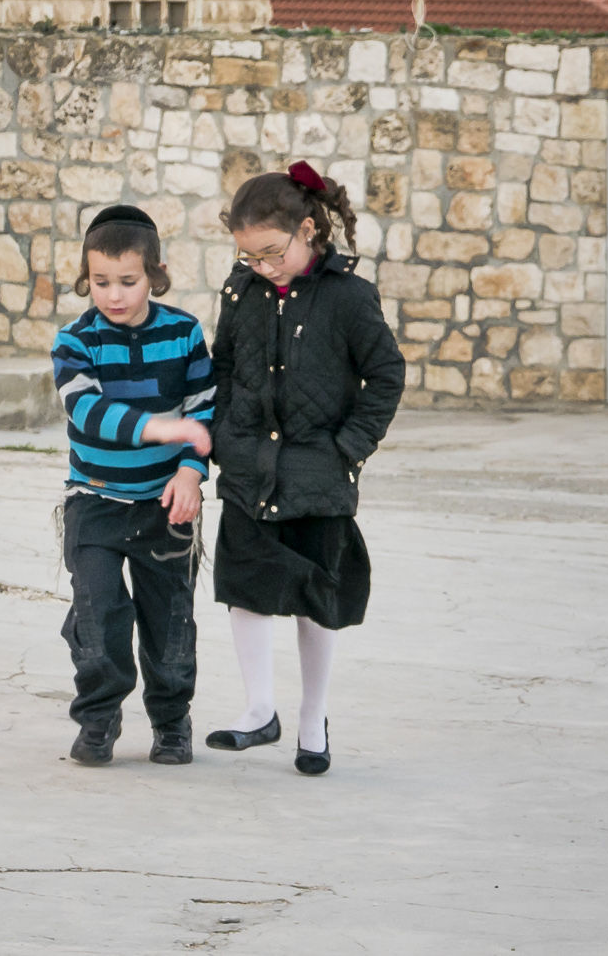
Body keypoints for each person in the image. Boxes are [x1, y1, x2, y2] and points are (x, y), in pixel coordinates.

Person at [203, 163, 404, 775]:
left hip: (319, 475)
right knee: (246, 587)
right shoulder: (241, 291)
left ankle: (312, 716)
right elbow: (224, 368)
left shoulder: (348, 296)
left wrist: (349, 448)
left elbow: (386, 375)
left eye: (271, 253)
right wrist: (220, 439)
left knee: (319, 597)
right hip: (247, 467)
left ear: (309, 230)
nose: (262, 266)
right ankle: (259, 707)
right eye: (249, 255)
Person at [51, 204, 216, 767]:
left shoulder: (184, 332)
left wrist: (192, 471)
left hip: (165, 504)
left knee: (170, 620)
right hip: (94, 501)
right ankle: (98, 719)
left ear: (156, 274)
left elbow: (205, 406)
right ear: (86, 276)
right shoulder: (75, 341)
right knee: (98, 614)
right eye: (101, 282)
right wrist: (158, 427)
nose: (114, 295)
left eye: (128, 281)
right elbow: (86, 411)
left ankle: (172, 723)